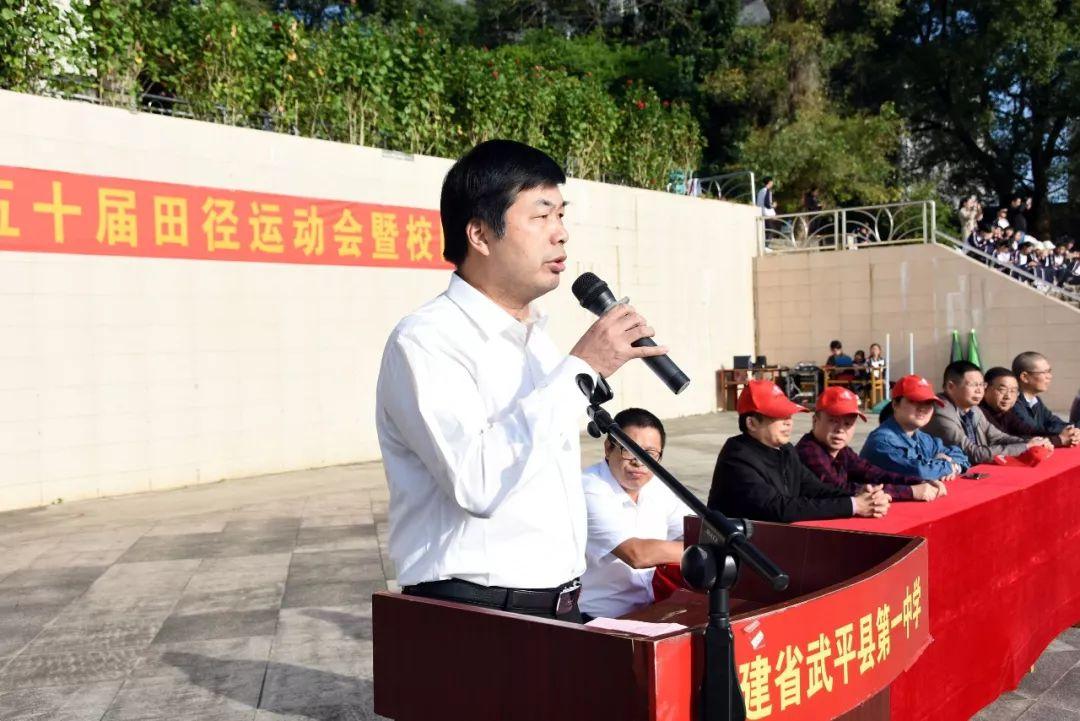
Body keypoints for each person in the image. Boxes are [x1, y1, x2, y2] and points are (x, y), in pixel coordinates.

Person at [375, 140, 669, 622]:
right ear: (480, 234)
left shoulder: (537, 342)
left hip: (560, 606)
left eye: (561, 215)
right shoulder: (426, 340)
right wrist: (582, 368)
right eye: (541, 215)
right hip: (476, 612)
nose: (561, 234)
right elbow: (478, 483)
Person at [708, 380, 890, 523]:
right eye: (780, 416)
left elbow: (816, 490)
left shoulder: (785, 450)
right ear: (752, 423)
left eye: (789, 415)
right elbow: (778, 508)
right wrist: (854, 505)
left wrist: (860, 497)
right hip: (736, 551)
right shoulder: (737, 457)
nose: (789, 422)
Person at [579, 408, 692, 620]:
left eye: (650, 454)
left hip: (651, 610)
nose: (639, 462)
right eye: (629, 450)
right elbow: (637, 554)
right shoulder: (589, 488)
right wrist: (701, 550)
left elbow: (693, 530)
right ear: (608, 448)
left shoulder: (657, 486)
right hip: (599, 619)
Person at [796, 387, 947, 502]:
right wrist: (911, 491)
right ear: (815, 420)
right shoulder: (809, 451)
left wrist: (920, 481)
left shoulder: (843, 451)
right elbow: (839, 490)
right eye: (833, 421)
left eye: (848, 424)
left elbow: (874, 473)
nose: (840, 429)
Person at [923, 361, 1048, 464]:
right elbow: (973, 454)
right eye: (973, 385)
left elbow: (998, 437)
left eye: (982, 385)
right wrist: (1026, 447)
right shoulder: (940, 411)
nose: (979, 390)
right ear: (951, 387)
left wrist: (1032, 442)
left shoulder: (973, 409)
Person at [861, 375, 971, 478]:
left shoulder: (923, 438)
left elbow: (961, 456)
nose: (922, 408)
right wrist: (949, 466)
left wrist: (953, 465)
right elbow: (919, 472)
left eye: (928, 402)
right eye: (914, 401)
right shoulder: (882, 442)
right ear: (895, 404)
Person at [1010, 352, 1080, 447]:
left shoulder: (1035, 400)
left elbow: (1052, 422)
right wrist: (1062, 438)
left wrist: (1073, 431)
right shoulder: (1013, 403)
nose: (1049, 377)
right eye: (1044, 372)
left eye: (1049, 371)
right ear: (1024, 377)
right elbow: (1034, 432)